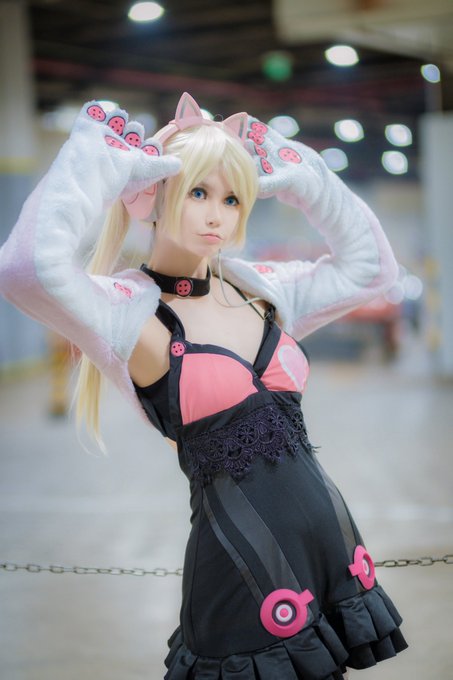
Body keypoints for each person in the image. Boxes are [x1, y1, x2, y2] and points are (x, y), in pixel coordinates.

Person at [0, 92, 407, 679]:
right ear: (155, 192)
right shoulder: (130, 313)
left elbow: (371, 270)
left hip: (329, 552)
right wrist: (94, 164)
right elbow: (25, 271)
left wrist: (309, 180)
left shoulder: (258, 289)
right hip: (243, 573)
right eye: (198, 192)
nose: (217, 215)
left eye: (232, 197)